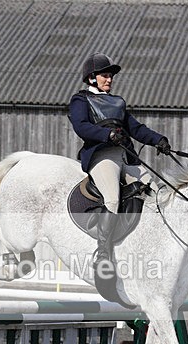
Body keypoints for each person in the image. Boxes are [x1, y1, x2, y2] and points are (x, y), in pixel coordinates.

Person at [68, 52, 172, 270]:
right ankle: (103, 253)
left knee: (156, 192)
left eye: (110, 76)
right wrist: (107, 135)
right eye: (104, 76)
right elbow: (81, 126)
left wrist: (158, 140)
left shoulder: (117, 102)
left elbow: (136, 129)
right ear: (91, 78)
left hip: (126, 155)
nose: (109, 79)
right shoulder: (80, 100)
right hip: (102, 155)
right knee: (112, 199)